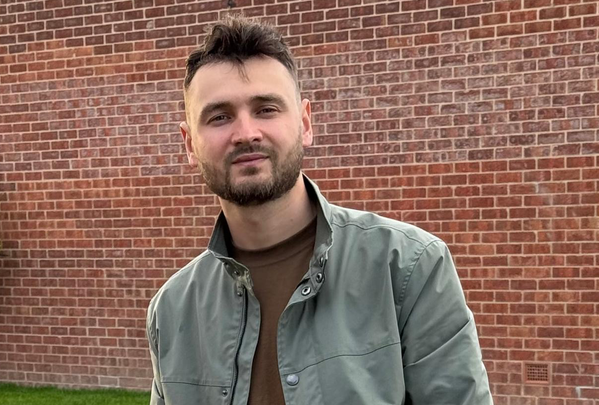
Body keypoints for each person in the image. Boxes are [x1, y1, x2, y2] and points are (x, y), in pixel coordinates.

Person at [146, 15, 493, 405]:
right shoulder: (172, 309)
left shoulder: (408, 269)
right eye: (219, 117)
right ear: (189, 144)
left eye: (266, 109)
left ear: (305, 123)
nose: (246, 133)